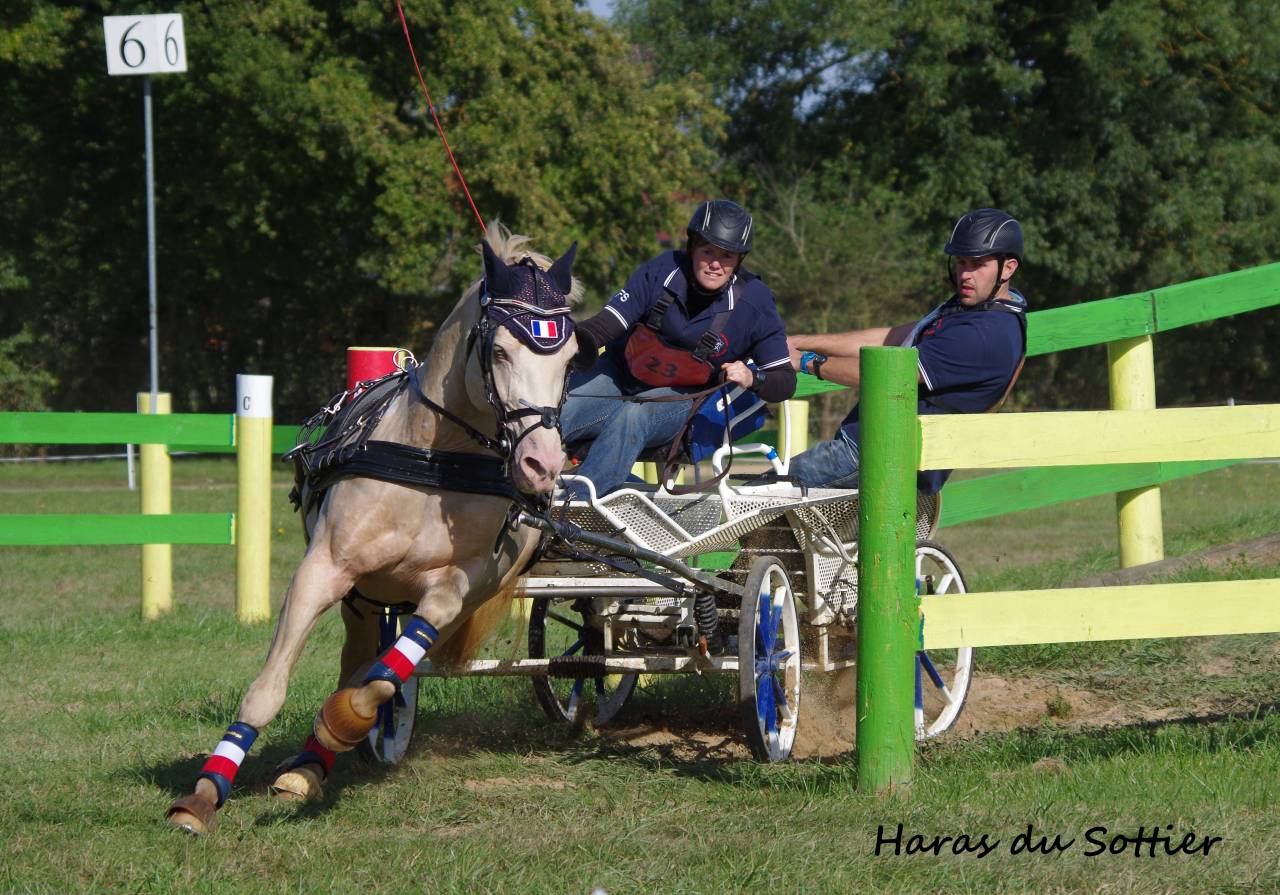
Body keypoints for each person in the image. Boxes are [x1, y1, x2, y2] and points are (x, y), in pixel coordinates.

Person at [560, 199, 796, 498]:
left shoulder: (755, 303)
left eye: (726, 256)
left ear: (739, 260)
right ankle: (509, 489)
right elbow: (607, 324)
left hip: (678, 401)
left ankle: (574, 505)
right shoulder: (662, 270)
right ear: (692, 246)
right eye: (708, 250)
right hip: (618, 375)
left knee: (634, 415)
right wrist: (565, 346)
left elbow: (784, 382)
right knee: (556, 408)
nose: (715, 263)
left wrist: (752, 378)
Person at [786, 207, 1027, 494]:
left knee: (759, 496)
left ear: (1008, 267)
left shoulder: (984, 333)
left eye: (977, 264)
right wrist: (800, 341)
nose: (965, 274)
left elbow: (888, 374)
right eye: (961, 262)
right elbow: (891, 338)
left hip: (884, 456)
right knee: (777, 519)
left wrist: (805, 361)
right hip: (874, 446)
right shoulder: (974, 307)